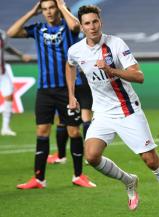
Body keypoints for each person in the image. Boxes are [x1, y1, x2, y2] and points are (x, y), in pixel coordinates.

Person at [66, 5, 159, 217]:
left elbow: (139, 76)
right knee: (91, 156)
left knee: (150, 160)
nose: (92, 27)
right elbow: (70, 65)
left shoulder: (116, 44)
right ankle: (128, 180)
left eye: (95, 22)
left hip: (127, 110)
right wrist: (71, 95)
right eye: (87, 23)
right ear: (81, 27)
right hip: (102, 113)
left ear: (101, 22)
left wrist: (111, 70)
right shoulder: (76, 50)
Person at [7, 0, 95, 189]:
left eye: (51, 8)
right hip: (45, 89)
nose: (48, 12)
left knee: (73, 131)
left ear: (58, 9)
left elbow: (76, 25)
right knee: (42, 131)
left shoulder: (67, 28)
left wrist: (62, 6)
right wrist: (32, 12)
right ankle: (39, 179)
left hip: (68, 89)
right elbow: (11, 33)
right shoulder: (38, 29)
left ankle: (79, 175)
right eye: (44, 9)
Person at [0, 28, 32, 136]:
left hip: (2, 72)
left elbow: (7, 48)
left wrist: (21, 55)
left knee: (9, 96)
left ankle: (5, 127)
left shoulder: (1, 33)